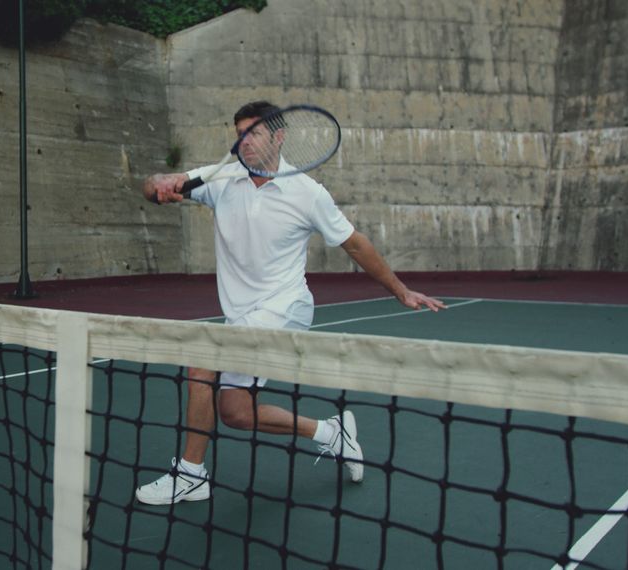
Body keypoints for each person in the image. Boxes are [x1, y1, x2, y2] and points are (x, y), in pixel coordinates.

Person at [136, 101, 446, 505]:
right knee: (235, 412)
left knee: (202, 360)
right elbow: (151, 186)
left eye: (255, 134)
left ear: (279, 137)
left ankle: (191, 475)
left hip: (287, 307)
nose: (244, 143)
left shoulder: (307, 193)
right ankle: (330, 432)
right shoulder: (220, 180)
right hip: (243, 316)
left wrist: (400, 290)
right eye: (239, 135)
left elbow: (354, 244)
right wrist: (160, 183)